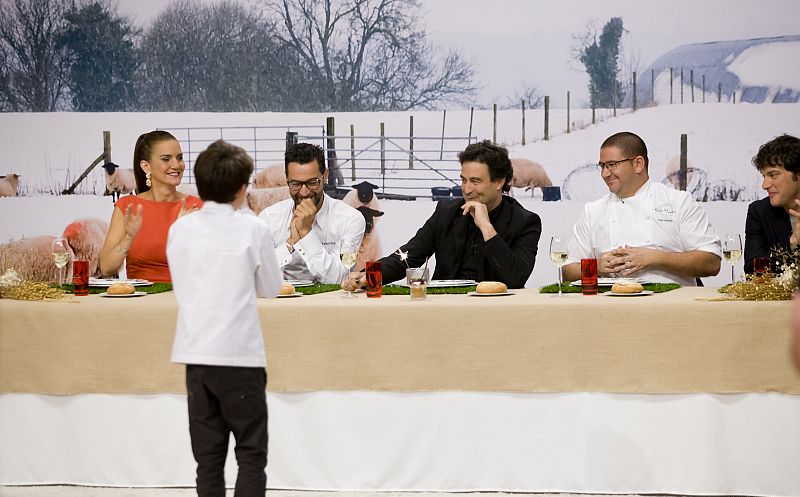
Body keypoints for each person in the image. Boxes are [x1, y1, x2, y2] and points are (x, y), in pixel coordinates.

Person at [166, 140, 282, 497]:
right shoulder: (253, 227)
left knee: (208, 456)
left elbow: (182, 286)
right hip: (241, 356)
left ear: (199, 183)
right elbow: (269, 287)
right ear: (243, 186)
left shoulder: (181, 229)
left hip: (197, 355)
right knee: (250, 449)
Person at [344, 140, 542, 289]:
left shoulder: (526, 222)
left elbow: (517, 278)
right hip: (444, 310)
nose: (467, 189)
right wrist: (368, 276)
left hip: (497, 315)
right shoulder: (446, 212)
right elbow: (408, 255)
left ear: (499, 182)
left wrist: (487, 228)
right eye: (463, 180)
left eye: (475, 181)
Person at [563, 131, 721, 285]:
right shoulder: (593, 211)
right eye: (602, 166)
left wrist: (654, 258)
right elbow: (568, 271)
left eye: (612, 165)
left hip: (671, 306)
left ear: (638, 164)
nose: (605, 173)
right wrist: (596, 268)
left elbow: (712, 262)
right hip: (610, 307)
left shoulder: (678, 202)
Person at [100, 130, 203, 282]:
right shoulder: (127, 207)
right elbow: (107, 268)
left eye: (179, 158)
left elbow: (209, 267)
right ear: (146, 167)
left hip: (184, 297)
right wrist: (128, 238)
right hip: (142, 300)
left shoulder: (196, 207)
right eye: (166, 159)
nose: (176, 165)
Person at [259, 143, 365, 283]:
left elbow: (339, 279)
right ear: (287, 179)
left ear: (325, 176)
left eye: (312, 182)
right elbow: (260, 277)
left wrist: (306, 233)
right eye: (296, 184)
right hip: (281, 302)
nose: (304, 192)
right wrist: (290, 243)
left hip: (330, 302)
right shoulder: (269, 217)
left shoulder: (351, 219)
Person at [744, 134, 800, 274]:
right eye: (764, 176)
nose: (765, 185)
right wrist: (792, 244)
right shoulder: (759, 211)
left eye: (773, 175)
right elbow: (753, 269)